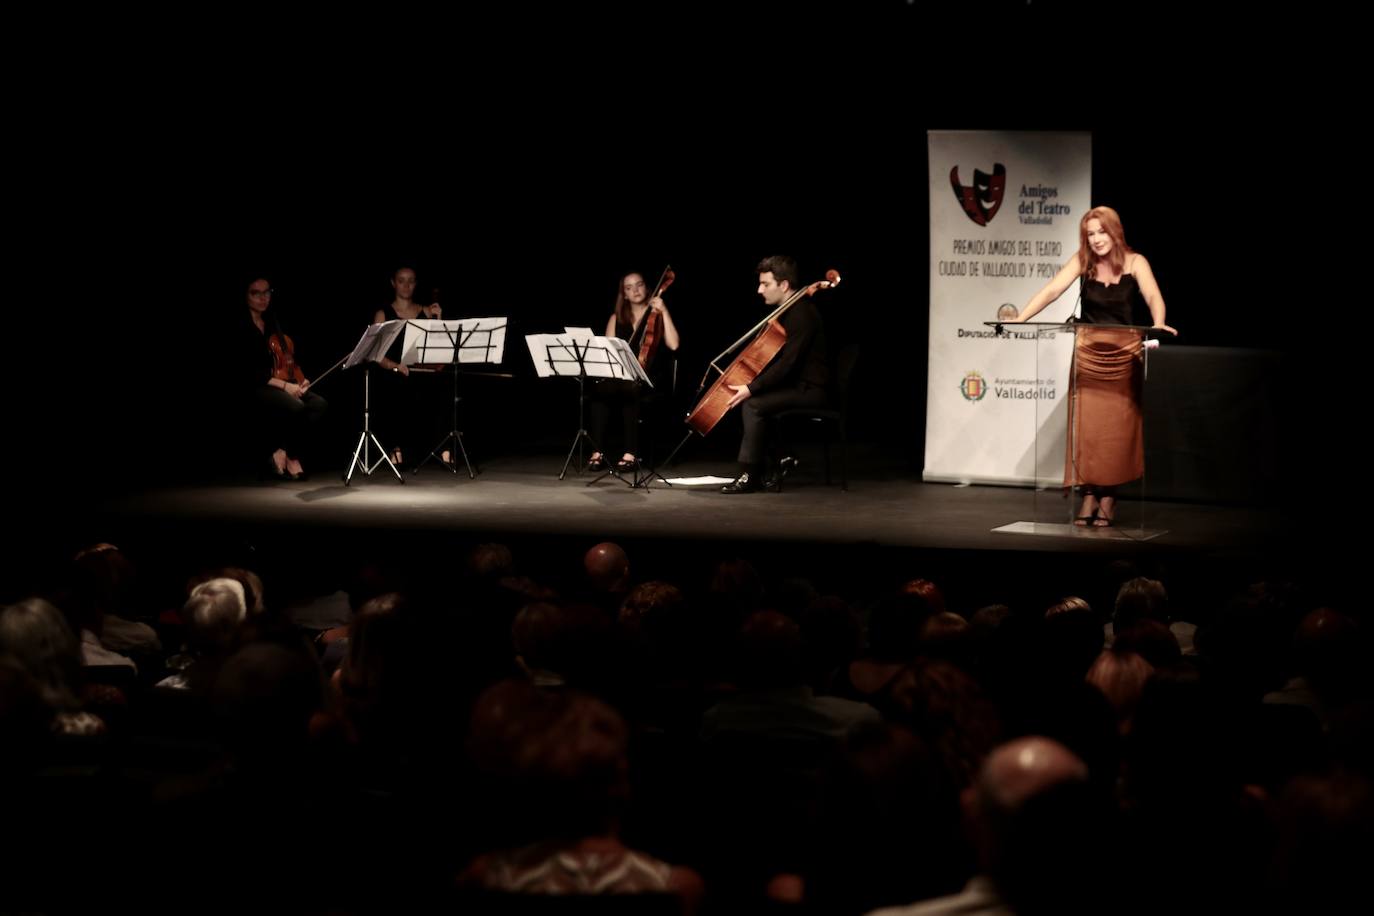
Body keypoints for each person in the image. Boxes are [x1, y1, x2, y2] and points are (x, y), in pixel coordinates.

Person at [1013, 207, 1177, 526]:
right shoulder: (1083, 260)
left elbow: (1153, 295)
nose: (1096, 239)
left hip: (1123, 354)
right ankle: (1088, 493)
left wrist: (1159, 322)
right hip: (1088, 352)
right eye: (1090, 233)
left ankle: (1109, 496)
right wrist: (1021, 317)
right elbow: (1052, 290)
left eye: (1102, 231)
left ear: (1115, 231)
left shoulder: (1135, 262)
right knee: (1087, 431)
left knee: (1115, 432)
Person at [720, 255, 829, 494]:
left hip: (811, 389)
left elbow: (788, 364)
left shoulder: (802, 315)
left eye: (765, 284)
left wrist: (752, 387)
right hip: (796, 385)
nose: (759, 290)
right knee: (751, 402)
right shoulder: (789, 311)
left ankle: (749, 475)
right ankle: (781, 456)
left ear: (784, 285)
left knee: (753, 405)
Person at [586, 270, 680, 473]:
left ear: (646, 288)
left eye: (639, 285)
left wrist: (664, 311)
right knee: (599, 392)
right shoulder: (616, 318)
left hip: (652, 377)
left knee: (632, 390)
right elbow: (608, 355)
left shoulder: (657, 314)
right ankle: (598, 451)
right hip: (622, 375)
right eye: (629, 288)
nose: (635, 290)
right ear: (624, 294)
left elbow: (673, 345)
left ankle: (631, 452)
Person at [236, 277, 327, 480]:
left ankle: (285, 451)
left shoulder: (273, 323)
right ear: (245, 295)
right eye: (255, 293)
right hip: (255, 385)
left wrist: (301, 379)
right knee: (296, 406)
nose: (262, 298)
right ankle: (290, 457)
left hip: (282, 381)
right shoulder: (240, 327)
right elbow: (248, 372)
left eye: (267, 292)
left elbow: (289, 358)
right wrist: (285, 386)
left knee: (318, 403)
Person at [370, 267, 446, 468]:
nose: (406, 285)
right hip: (394, 371)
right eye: (401, 280)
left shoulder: (427, 311)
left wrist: (439, 319)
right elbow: (376, 354)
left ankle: (441, 448)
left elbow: (439, 346)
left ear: (416, 284)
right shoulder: (383, 313)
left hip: (421, 370)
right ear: (393, 283)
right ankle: (396, 448)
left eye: (411, 281)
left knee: (444, 385)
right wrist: (395, 366)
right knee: (396, 385)